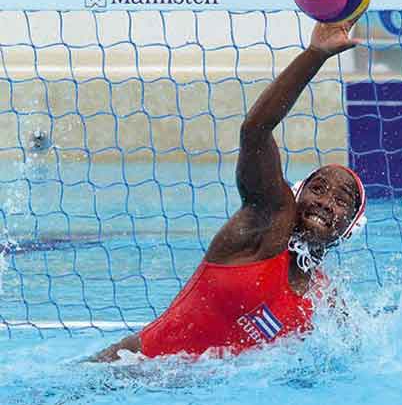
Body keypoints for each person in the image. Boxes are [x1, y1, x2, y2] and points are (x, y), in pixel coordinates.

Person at [91, 20, 366, 362]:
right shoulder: (267, 224)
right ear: (297, 195)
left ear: (351, 227)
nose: (325, 202)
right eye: (318, 188)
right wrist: (315, 55)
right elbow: (255, 131)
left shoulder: (326, 304)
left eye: (341, 201)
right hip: (125, 374)